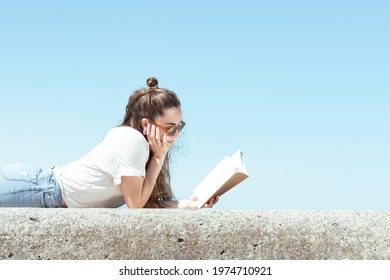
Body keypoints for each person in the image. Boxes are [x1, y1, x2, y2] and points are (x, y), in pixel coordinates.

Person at [0, 77, 218, 209]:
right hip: (39, 189)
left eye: (179, 127)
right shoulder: (132, 141)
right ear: (146, 124)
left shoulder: (142, 149)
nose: (175, 134)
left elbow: (145, 203)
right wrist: (159, 157)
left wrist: (192, 204)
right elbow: (135, 204)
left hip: (42, 189)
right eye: (170, 127)